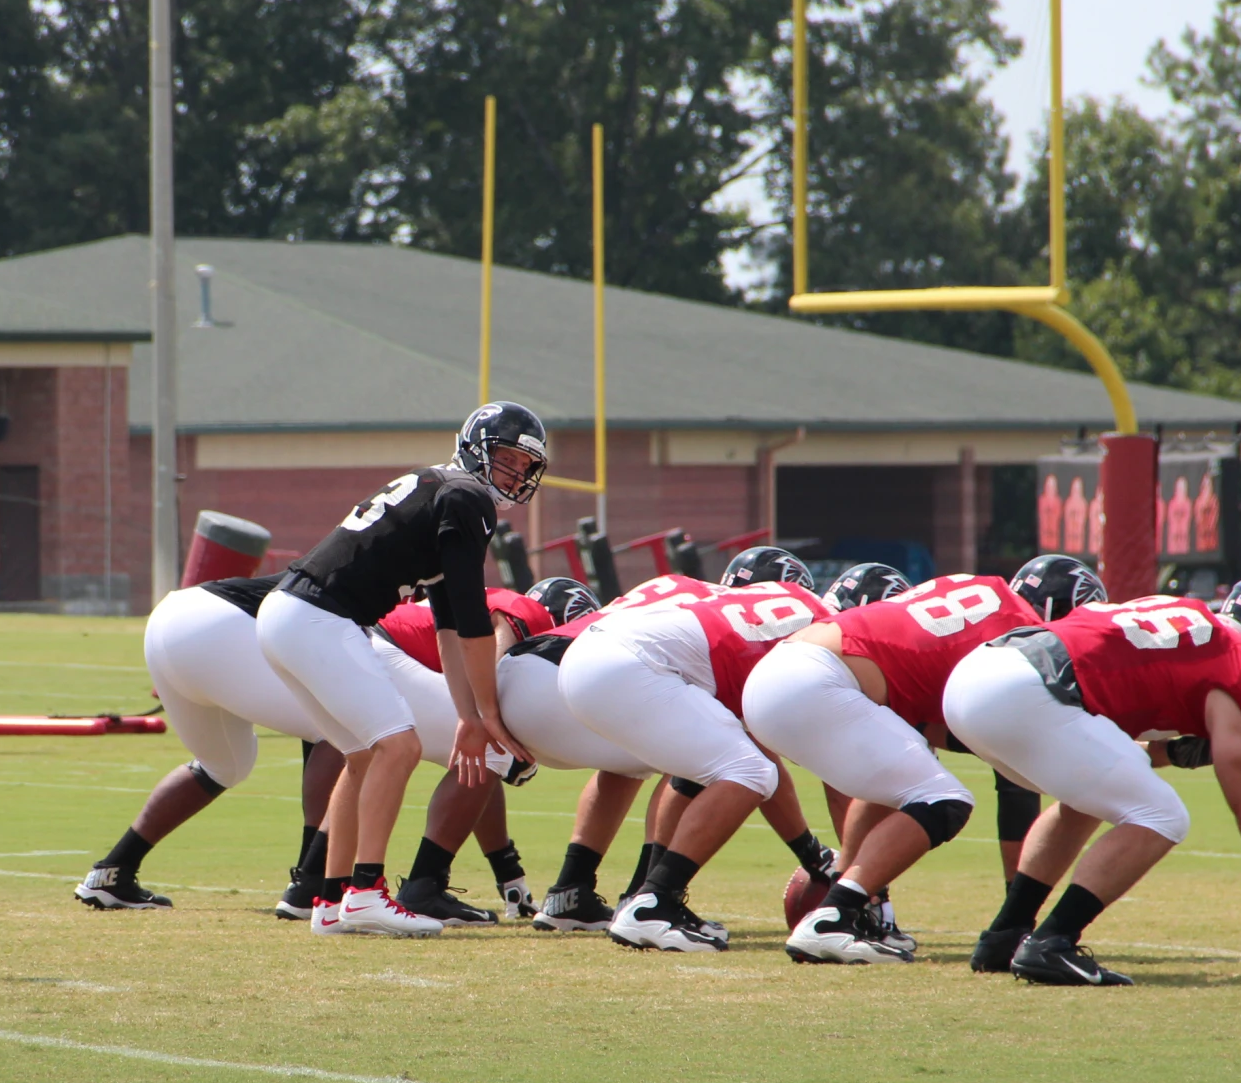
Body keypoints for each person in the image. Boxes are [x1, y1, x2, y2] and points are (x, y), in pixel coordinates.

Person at [945, 576, 1241, 986]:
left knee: (1093, 796)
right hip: (1030, 692)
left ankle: (1005, 934)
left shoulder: (1188, 618)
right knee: (1164, 815)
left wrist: (1170, 753)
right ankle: (1052, 942)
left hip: (981, 674)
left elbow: (1127, 733)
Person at [257, 402, 546, 938]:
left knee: (364, 755)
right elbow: (474, 617)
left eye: (525, 467)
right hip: (320, 616)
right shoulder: (466, 496)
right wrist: (487, 713)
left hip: (289, 613)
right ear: (477, 447)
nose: (515, 474)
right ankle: (367, 892)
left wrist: (466, 716)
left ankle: (332, 898)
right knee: (400, 746)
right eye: (507, 458)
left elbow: (448, 627)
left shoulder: (439, 489)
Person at [744, 572, 1040, 964]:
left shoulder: (973, 590)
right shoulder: (1024, 634)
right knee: (945, 800)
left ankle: (855, 912)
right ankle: (833, 917)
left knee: (902, 783)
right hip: (820, 681)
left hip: (782, 668)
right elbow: (1009, 766)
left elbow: (931, 726)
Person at [558, 575, 836, 951]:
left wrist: (812, 856)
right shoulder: (824, 634)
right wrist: (824, 859)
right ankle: (654, 903)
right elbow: (776, 761)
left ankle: (648, 896)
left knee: (716, 769)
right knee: (749, 771)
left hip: (591, 650)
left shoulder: (764, 605)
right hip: (630, 663)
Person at [74, 572, 345, 914]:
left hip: (172, 617)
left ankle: (112, 872)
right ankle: (312, 883)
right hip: (220, 624)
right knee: (341, 728)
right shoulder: (377, 578)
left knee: (225, 764)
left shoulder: (353, 560)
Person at [370, 585, 553, 922]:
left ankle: (312, 881)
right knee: (490, 747)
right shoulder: (529, 612)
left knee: (481, 758)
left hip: (375, 647)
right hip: (388, 651)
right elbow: (491, 675)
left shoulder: (503, 600)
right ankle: (423, 887)